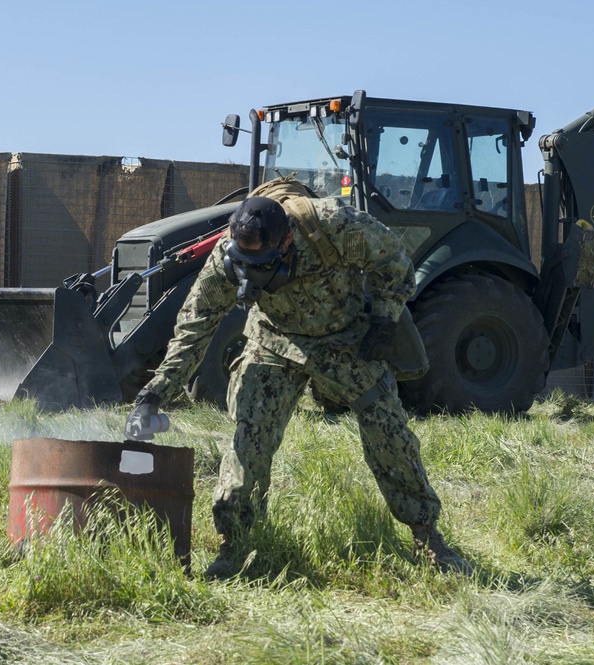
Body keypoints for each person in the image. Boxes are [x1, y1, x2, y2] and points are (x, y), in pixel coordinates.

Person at [125, 178, 472, 579]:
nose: (252, 274)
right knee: (249, 437)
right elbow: (196, 324)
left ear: (286, 242)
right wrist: (156, 392)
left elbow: (395, 261)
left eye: (263, 266)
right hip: (275, 340)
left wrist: (385, 319)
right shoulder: (226, 255)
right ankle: (236, 547)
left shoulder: (335, 225)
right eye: (245, 266)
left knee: (388, 431)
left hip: (345, 339)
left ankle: (428, 540)